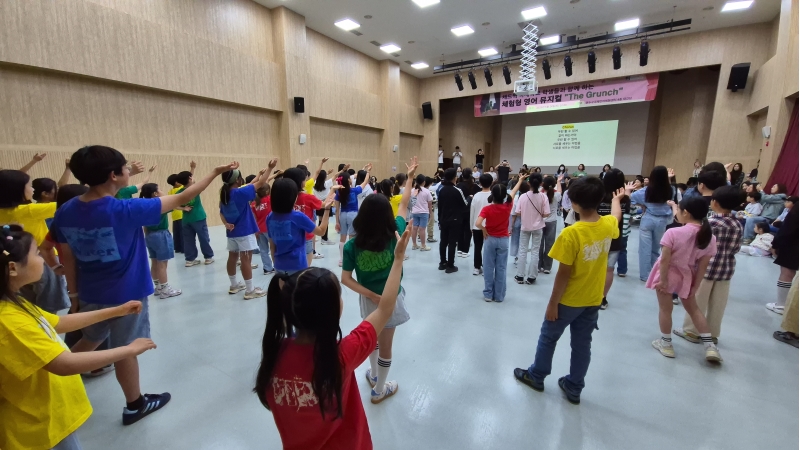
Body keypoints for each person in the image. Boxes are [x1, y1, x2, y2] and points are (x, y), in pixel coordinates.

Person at [51, 145, 237, 425]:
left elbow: (67, 255)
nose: (128, 171)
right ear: (114, 175)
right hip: (127, 296)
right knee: (126, 348)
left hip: (90, 292)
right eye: (125, 167)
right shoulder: (126, 209)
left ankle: (49, 376)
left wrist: (74, 295)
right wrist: (213, 172)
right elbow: (184, 197)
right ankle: (135, 405)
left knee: (92, 337)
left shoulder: (66, 210)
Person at [0, 225, 158, 450]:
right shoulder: (9, 322)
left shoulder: (15, 302)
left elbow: (59, 322)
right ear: (13, 268)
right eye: (36, 254)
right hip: (38, 425)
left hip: (50, 415)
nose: (44, 258)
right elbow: (64, 364)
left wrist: (116, 310)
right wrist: (129, 350)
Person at [254, 227, 409, 449]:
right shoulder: (343, 354)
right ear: (334, 310)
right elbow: (385, 309)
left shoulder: (275, 353)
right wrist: (398, 259)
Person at [513, 178, 623, 404]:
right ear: (600, 199)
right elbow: (616, 216)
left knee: (549, 336)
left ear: (572, 203)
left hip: (568, 300)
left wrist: (553, 303)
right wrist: (618, 199)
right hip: (593, 298)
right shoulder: (607, 225)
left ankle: (537, 375)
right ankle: (574, 386)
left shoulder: (571, 234)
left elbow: (563, 274)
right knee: (582, 344)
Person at [341, 158, 416, 405]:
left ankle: (373, 375)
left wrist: (370, 295)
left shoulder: (353, 244)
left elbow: (346, 279)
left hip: (368, 298)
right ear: (387, 215)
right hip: (391, 299)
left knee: (370, 337)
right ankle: (380, 388)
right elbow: (404, 203)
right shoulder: (395, 232)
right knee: (386, 345)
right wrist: (410, 177)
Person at [648, 197, 721, 362]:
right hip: (688, 276)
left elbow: (665, 260)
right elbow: (703, 266)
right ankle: (710, 346)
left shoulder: (672, 232)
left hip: (667, 275)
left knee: (665, 309)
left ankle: (666, 344)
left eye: (678, 210)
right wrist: (696, 285)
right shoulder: (709, 237)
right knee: (694, 309)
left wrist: (663, 280)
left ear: (685, 213)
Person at [673, 186, 743, 344]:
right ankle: (712, 334)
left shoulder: (710, 223)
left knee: (697, 301)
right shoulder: (737, 224)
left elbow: (699, 245)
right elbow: (736, 248)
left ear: (715, 203)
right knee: (719, 304)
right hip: (725, 270)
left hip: (705, 270)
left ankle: (692, 331)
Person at [0, 170, 68, 314]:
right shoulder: (29, 210)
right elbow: (67, 204)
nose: (32, 190)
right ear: (18, 191)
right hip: (42, 260)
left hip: (16, 261)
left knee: (24, 301)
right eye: (30, 186)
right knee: (51, 304)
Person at [219, 161, 277, 299]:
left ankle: (234, 285)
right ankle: (250, 290)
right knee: (246, 259)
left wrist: (226, 224)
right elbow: (261, 182)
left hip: (231, 232)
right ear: (237, 180)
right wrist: (270, 168)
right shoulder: (240, 193)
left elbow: (221, 212)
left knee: (232, 257)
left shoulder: (224, 194)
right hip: (244, 231)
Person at [267, 179, 334, 276]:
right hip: (297, 266)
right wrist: (327, 209)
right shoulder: (298, 216)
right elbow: (321, 231)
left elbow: (272, 247)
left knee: (284, 291)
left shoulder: (270, 217)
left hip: (279, 266)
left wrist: (277, 265)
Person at [475, 176, 526, 302]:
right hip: (503, 240)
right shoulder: (508, 206)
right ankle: (499, 295)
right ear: (504, 195)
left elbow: (477, 223)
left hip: (490, 239)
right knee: (501, 268)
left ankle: (488, 294)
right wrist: (520, 180)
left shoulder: (487, 209)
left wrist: (484, 229)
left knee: (488, 267)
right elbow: (513, 192)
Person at [630, 166, 674, 281]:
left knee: (644, 248)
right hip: (663, 221)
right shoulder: (671, 190)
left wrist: (643, 205)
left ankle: (645, 276)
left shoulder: (646, 190)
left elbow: (632, 198)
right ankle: (655, 274)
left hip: (648, 219)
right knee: (655, 249)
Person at [139, 183, 182, 299]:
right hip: (161, 235)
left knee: (155, 262)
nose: (163, 191)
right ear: (155, 193)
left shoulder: (144, 205)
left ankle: (158, 287)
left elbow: (144, 226)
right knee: (162, 263)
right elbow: (177, 201)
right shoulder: (159, 204)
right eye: (161, 189)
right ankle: (165, 289)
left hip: (149, 235)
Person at [597, 169, 631, 309]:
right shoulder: (625, 199)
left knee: (593, 267)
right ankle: (602, 298)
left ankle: (591, 295)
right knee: (609, 270)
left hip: (597, 237)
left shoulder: (598, 196)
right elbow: (627, 218)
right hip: (615, 237)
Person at [514, 174, 549, 285]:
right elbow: (546, 214)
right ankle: (532, 277)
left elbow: (518, 212)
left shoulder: (523, 196)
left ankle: (520, 276)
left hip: (525, 226)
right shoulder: (543, 197)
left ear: (528, 183)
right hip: (538, 227)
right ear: (541, 184)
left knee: (522, 250)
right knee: (535, 251)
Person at [174, 170, 214, 267]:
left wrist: (183, 208)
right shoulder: (195, 189)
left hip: (186, 220)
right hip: (198, 217)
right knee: (203, 238)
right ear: (190, 178)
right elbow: (197, 182)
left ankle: (190, 260)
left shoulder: (179, 192)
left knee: (188, 240)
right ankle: (208, 257)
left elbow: (174, 205)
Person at [335, 166, 372, 267]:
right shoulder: (355, 190)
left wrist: (337, 221)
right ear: (348, 180)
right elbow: (365, 181)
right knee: (352, 238)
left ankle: (341, 260)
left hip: (343, 215)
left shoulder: (338, 192)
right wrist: (368, 171)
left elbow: (337, 209)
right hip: (353, 215)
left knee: (342, 238)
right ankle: (351, 258)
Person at [765, 205, 798, 314]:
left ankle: (781, 305)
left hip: (793, 244)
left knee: (787, 272)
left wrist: (776, 244)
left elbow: (788, 227)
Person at [437, 168, 468, 273]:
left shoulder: (441, 190)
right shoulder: (457, 190)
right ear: (455, 177)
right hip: (455, 220)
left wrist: (440, 220)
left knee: (443, 242)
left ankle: (442, 263)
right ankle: (450, 265)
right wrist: (470, 198)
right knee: (452, 243)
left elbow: (439, 207)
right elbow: (465, 204)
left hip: (443, 219)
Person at [538, 175, 563, 275]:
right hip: (552, 221)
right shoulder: (556, 195)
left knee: (539, 244)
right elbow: (560, 191)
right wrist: (558, 181)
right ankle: (547, 267)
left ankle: (538, 266)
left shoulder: (540, 194)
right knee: (550, 244)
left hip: (540, 221)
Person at [469, 174, 493, 276]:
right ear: (492, 183)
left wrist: (471, 226)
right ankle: (487, 268)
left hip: (477, 226)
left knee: (477, 247)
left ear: (480, 183)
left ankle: (476, 267)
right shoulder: (493, 196)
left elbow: (472, 212)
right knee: (489, 249)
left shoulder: (476, 196)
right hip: (490, 227)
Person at [252, 182, 275, 275]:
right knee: (274, 248)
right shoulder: (270, 199)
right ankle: (278, 266)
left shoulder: (253, 204)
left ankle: (267, 268)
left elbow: (254, 218)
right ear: (267, 191)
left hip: (259, 229)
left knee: (263, 250)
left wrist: (255, 230)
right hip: (270, 228)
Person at [456, 168, 480, 258]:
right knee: (468, 230)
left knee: (460, 230)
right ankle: (465, 250)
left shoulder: (458, 185)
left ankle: (459, 249)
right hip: (470, 211)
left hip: (459, 211)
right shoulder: (475, 186)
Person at [410, 174, 433, 251]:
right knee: (422, 229)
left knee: (414, 228)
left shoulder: (412, 190)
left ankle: (414, 244)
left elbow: (412, 202)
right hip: (424, 212)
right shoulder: (426, 191)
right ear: (424, 182)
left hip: (414, 212)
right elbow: (430, 203)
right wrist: (430, 212)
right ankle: (423, 245)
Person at [313, 168, 335, 246]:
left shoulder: (314, 183)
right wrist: (342, 170)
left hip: (318, 204)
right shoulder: (327, 184)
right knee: (326, 222)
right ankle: (324, 239)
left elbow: (321, 178)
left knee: (320, 221)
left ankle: (321, 236)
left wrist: (327, 174)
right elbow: (335, 176)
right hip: (326, 204)